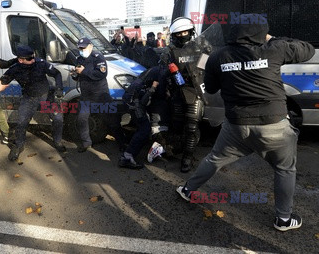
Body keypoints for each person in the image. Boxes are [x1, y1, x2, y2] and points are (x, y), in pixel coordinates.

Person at [176, 13, 315, 232]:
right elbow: (307, 50)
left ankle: (187, 190)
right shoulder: (274, 49)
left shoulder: (219, 56)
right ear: (262, 32)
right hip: (274, 126)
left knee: (214, 159)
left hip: (236, 127)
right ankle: (284, 220)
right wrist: (273, 39)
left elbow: (210, 89)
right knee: (284, 169)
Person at [0, 45, 65, 160]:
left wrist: (59, 88)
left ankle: (57, 141)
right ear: (20, 60)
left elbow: (57, 74)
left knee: (58, 118)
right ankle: (18, 145)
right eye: (29, 59)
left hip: (46, 96)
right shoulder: (15, 69)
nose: (33, 60)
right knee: (21, 122)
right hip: (29, 98)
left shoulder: (41, 63)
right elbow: (3, 82)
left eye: (32, 57)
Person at [160, 17, 211, 173]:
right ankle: (179, 149)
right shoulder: (169, 51)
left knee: (191, 126)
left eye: (185, 32)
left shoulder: (201, 46)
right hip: (178, 92)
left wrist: (199, 69)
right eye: (179, 33)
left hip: (195, 90)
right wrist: (170, 71)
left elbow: (208, 65)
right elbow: (162, 70)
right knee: (177, 125)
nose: (182, 35)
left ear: (191, 31)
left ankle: (187, 158)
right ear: (174, 35)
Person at [73, 37, 126, 153]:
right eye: (80, 48)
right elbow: (78, 74)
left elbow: (101, 73)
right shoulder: (79, 59)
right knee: (81, 119)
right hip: (86, 96)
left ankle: (122, 144)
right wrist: (75, 74)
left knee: (112, 120)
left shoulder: (98, 57)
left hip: (100, 95)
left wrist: (84, 71)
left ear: (90, 46)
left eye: (84, 48)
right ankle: (86, 143)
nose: (82, 50)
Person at [120, 64, 170, 169]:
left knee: (142, 127)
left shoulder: (157, 68)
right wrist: (156, 90)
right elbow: (158, 94)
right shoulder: (163, 71)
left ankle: (128, 150)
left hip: (132, 97)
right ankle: (127, 157)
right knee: (144, 129)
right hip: (135, 101)